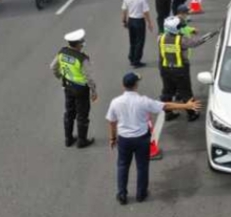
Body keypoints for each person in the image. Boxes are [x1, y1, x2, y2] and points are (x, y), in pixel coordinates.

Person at [107, 72, 202, 205]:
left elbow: (112, 121)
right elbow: (166, 106)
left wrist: (112, 138)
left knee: (122, 165)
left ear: (123, 86)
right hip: (141, 139)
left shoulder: (115, 102)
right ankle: (141, 194)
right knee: (142, 166)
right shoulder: (143, 101)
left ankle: (122, 194)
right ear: (136, 85)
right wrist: (186, 106)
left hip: (124, 139)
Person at [158, 17, 213, 122]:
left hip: (165, 69)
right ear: (175, 28)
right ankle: (192, 114)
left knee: (167, 92)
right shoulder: (181, 40)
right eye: (179, 26)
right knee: (185, 92)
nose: (181, 27)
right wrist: (209, 35)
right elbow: (196, 42)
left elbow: (161, 56)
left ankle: (168, 113)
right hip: (180, 70)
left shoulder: (160, 38)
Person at [51, 29, 98, 148]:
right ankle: (82, 141)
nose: (82, 45)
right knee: (82, 114)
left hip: (67, 86)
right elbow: (89, 77)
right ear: (77, 44)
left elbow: (53, 67)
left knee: (69, 113)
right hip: (81, 89)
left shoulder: (62, 53)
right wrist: (93, 91)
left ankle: (68, 139)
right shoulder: (82, 58)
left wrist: (61, 76)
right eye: (81, 43)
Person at [121, 0, 155, 68]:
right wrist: (149, 23)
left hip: (131, 20)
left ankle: (131, 58)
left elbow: (124, 9)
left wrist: (124, 20)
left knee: (132, 41)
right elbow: (146, 12)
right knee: (140, 41)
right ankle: (136, 60)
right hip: (139, 21)